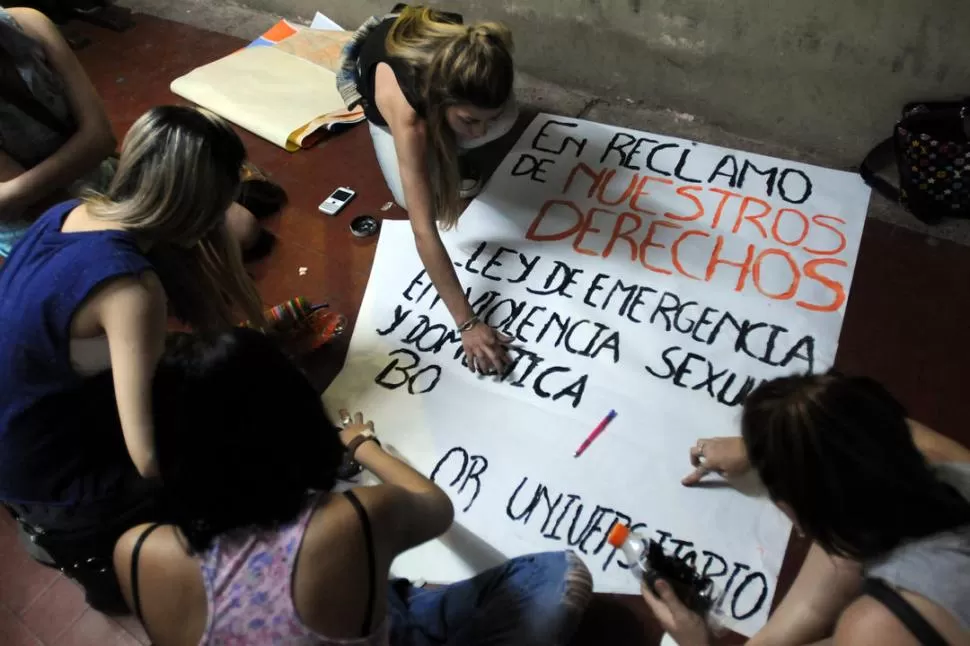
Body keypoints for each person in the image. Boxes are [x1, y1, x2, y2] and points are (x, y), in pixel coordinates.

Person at [113, 328, 593, 645]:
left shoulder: (133, 552)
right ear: (296, 415)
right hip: (376, 608)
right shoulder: (349, 521)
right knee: (559, 575)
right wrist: (363, 445)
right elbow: (436, 507)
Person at [0, 105, 267, 610]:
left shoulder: (70, 212)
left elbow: (206, 310)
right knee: (229, 449)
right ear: (194, 210)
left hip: (17, 435)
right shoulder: (129, 289)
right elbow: (147, 460)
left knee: (192, 375)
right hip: (54, 485)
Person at [641, 373, 970, 646]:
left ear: (791, 512)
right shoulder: (938, 458)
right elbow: (853, 430)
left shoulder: (877, 629)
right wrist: (767, 446)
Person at [0, 6, 270, 257]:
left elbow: (101, 138)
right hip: (43, 221)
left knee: (242, 227)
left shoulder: (30, 24)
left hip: (98, 177)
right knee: (142, 272)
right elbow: (31, 202)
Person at [338, 4, 519, 375]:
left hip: (414, 49)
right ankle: (441, 150)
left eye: (483, 120)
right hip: (385, 81)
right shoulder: (409, 118)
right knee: (415, 200)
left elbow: (486, 113)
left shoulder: (472, 57)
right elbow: (423, 230)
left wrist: (479, 120)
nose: (482, 132)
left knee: (509, 117)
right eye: (469, 120)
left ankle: (450, 144)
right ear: (441, 101)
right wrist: (467, 324)